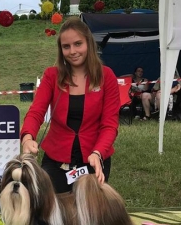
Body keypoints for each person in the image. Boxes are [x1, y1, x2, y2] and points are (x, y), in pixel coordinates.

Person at [20, 17, 120, 194]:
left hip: (94, 159)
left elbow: (110, 124)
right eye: (66, 46)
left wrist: (98, 153)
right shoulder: (52, 75)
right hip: (56, 160)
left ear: (88, 43)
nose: (72, 51)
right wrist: (27, 138)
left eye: (78, 44)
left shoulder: (106, 76)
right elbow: (36, 112)